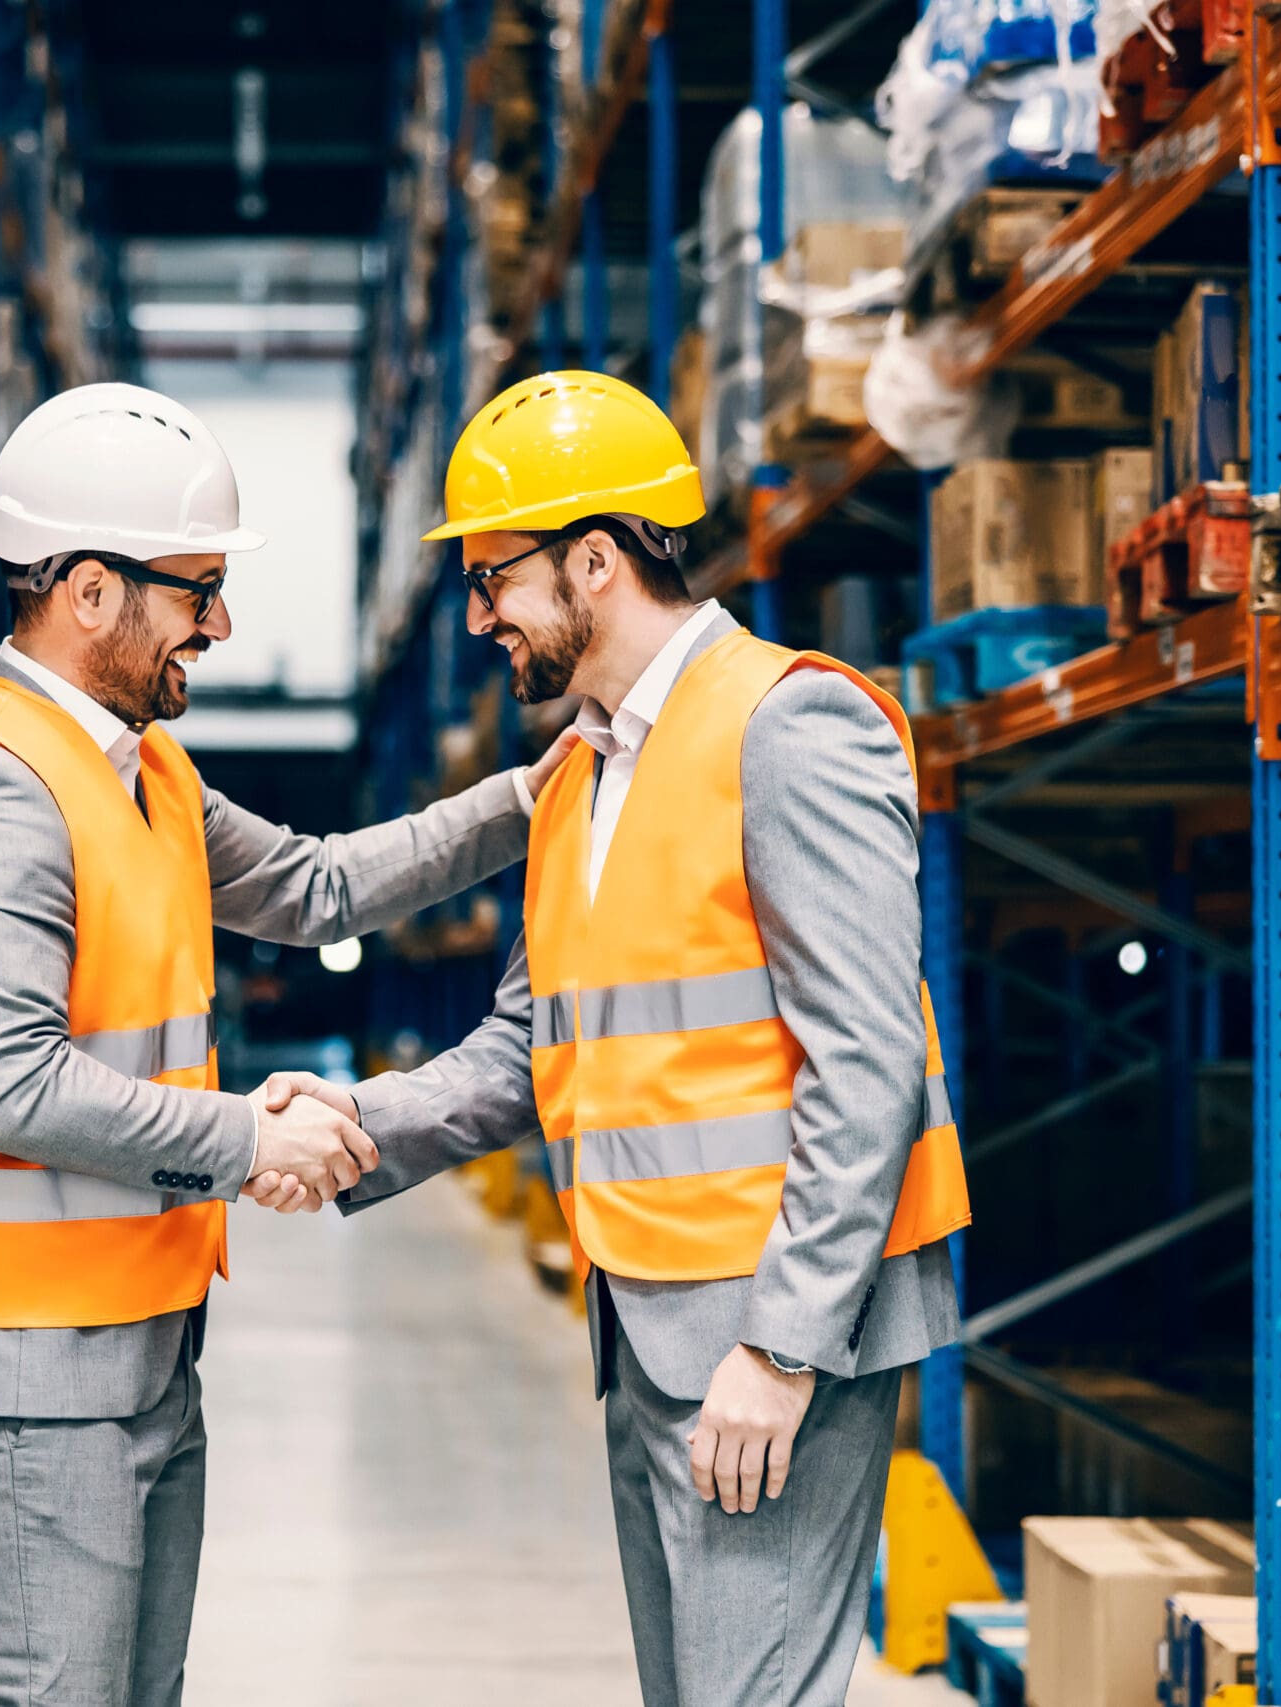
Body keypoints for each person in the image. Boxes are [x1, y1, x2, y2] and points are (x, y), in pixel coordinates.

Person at [255, 370, 972, 1707]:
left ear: (595, 559)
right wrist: (354, 1124)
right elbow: (536, 1039)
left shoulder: (788, 724)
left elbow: (865, 1063)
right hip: (645, 1311)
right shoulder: (579, 773)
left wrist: (783, 1346)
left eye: (493, 580)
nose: (478, 618)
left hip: (770, 1327)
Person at [0, 381, 577, 1707]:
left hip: (140, 1339)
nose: (220, 622)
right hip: (29, 1367)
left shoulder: (145, 772)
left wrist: (527, 799)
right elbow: (7, 1084)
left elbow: (319, 889)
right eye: (195, 590)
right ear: (88, 593)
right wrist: (255, 1138)